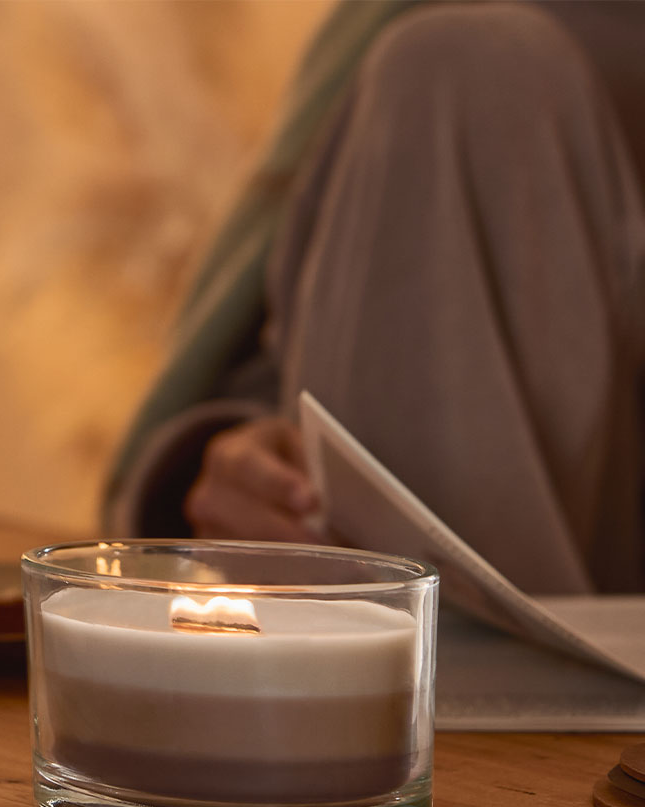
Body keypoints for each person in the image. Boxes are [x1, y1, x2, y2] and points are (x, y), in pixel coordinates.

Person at [102, 0, 645, 596]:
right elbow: (303, 364)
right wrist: (247, 467)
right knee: (461, 66)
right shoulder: (423, 37)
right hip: (399, 622)